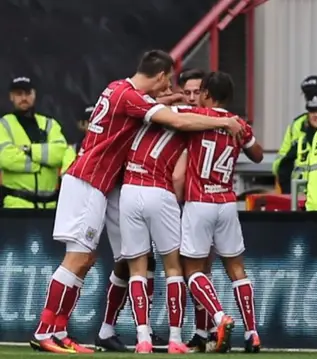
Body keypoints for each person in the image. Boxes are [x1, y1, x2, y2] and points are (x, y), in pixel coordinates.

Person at [29, 50, 243, 354]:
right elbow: (177, 123)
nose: (168, 85)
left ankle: (60, 330)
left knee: (90, 260)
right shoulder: (130, 97)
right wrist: (223, 122)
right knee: (76, 259)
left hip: (100, 185)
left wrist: (169, 102)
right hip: (89, 181)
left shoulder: (117, 89)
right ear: (159, 75)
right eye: (167, 79)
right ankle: (45, 330)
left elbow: (152, 107)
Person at [174, 71, 264, 354]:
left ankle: (218, 317)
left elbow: (166, 114)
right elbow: (258, 155)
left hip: (199, 202)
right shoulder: (238, 124)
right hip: (226, 202)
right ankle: (252, 333)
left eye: (200, 92)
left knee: (193, 270)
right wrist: (241, 131)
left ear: (207, 95)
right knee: (236, 268)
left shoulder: (195, 118)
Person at [117, 87, 193, 353]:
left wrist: (166, 98)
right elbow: (177, 177)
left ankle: (143, 339)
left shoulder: (139, 112)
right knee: (173, 268)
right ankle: (175, 338)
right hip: (159, 190)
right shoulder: (188, 117)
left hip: (129, 189)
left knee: (137, 269)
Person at [0, 76, 70, 208]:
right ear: (11, 97)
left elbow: (60, 153)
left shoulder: (50, 124)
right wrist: (41, 163)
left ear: (34, 95)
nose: (24, 97)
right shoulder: (3, 125)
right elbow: (5, 158)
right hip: (17, 205)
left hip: (50, 206)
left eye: (27, 93)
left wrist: (30, 151)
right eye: (19, 94)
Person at [273, 75, 317, 183]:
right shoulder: (296, 125)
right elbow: (278, 164)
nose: (316, 114)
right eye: (312, 110)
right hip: (298, 192)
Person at [278, 90, 317, 193]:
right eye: (312, 111)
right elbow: (284, 170)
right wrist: (291, 195)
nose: (316, 115)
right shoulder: (301, 143)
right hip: (301, 201)